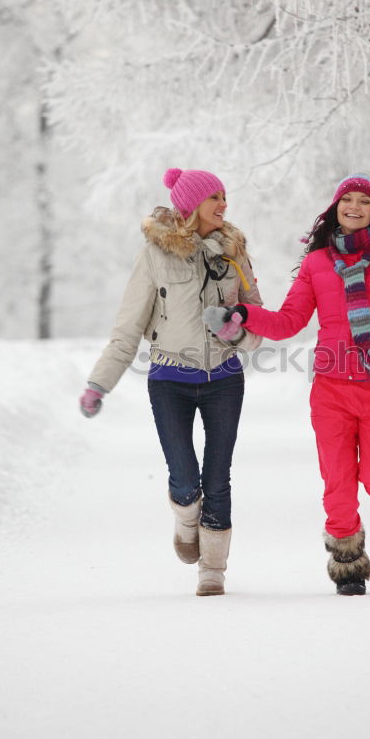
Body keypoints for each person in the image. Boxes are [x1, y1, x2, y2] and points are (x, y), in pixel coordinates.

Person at [205, 173, 370, 596]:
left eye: (363, 201)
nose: (353, 207)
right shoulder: (317, 263)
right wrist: (246, 314)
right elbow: (288, 322)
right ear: (335, 207)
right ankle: (348, 564)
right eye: (346, 200)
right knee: (337, 486)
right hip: (331, 391)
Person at [79, 168, 263, 596]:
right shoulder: (155, 254)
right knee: (185, 478)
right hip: (168, 380)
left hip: (224, 379)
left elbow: (259, 321)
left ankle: (213, 570)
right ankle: (185, 517)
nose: (224, 204)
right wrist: (99, 384)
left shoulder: (233, 251)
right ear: (191, 204)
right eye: (214, 197)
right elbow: (128, 327)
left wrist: (236, 329)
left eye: (224, 196)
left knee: (219, 476)